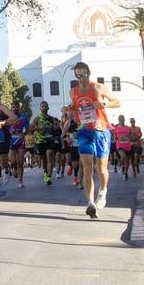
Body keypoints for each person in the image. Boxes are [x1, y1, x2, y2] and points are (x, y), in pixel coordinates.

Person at [70, 61, 120, 218]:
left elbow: (116, 102)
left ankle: (103, 192)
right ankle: (90, 203)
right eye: (77, 75)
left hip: (101, 129)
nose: (80, 78)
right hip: (84, 130)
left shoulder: (98, 87)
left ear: (88, 73)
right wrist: (70, 110)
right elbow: (77, 111)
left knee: (102, 168)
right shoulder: (74, 91)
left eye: (83, 75)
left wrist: (103, 103)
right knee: (87, 168)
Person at [30, 101, 63, 186]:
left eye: (45, 106)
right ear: (40, 108)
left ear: (48, 108)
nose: (44, 108)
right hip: (40, 141)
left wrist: (53, 127)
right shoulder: (37, 118)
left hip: (50, 140)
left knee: (49, 156)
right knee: (44, 159)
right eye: (42, 106)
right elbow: (31, 129)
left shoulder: (51, 118)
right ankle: (45, 171)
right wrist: (38, 128)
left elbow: (57, 128)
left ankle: (49, 176)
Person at [7, 101, 30, 188]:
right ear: (11, 108)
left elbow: (27, 130)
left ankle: (20, 180)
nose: (15, 108)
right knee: (13, 162)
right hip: (11, 142)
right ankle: (13, 168)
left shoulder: (23, 117)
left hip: (20, 141)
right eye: (13, 107)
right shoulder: (8, 117)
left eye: (16, 107)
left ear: (19, 108)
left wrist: (23, 134)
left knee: (20, 162)